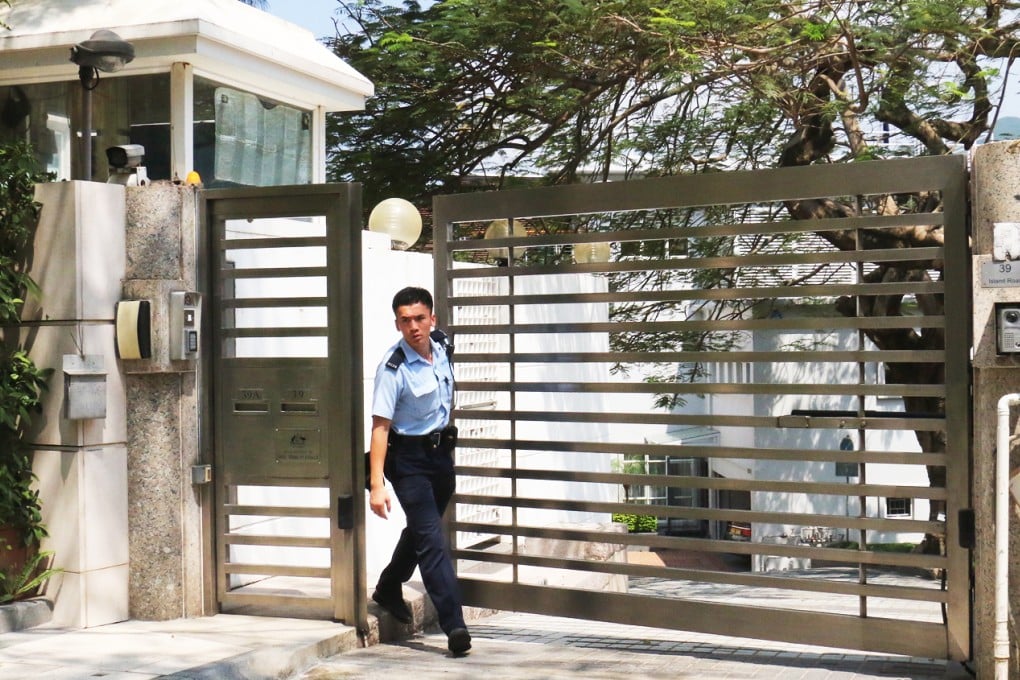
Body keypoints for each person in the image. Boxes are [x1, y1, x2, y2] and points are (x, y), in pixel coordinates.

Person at [368, 286, 471, 657]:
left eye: (419, 318)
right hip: (408, 460)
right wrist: (376, 484)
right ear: (397, 323)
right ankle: (455, 625)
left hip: (441, 455)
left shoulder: (442, 347)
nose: (413, 327)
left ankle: (389, 585)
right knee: (431, 539)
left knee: (421, 529)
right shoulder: (392, 367)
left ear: (432, 319)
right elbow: (380, 427)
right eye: (405, 320)